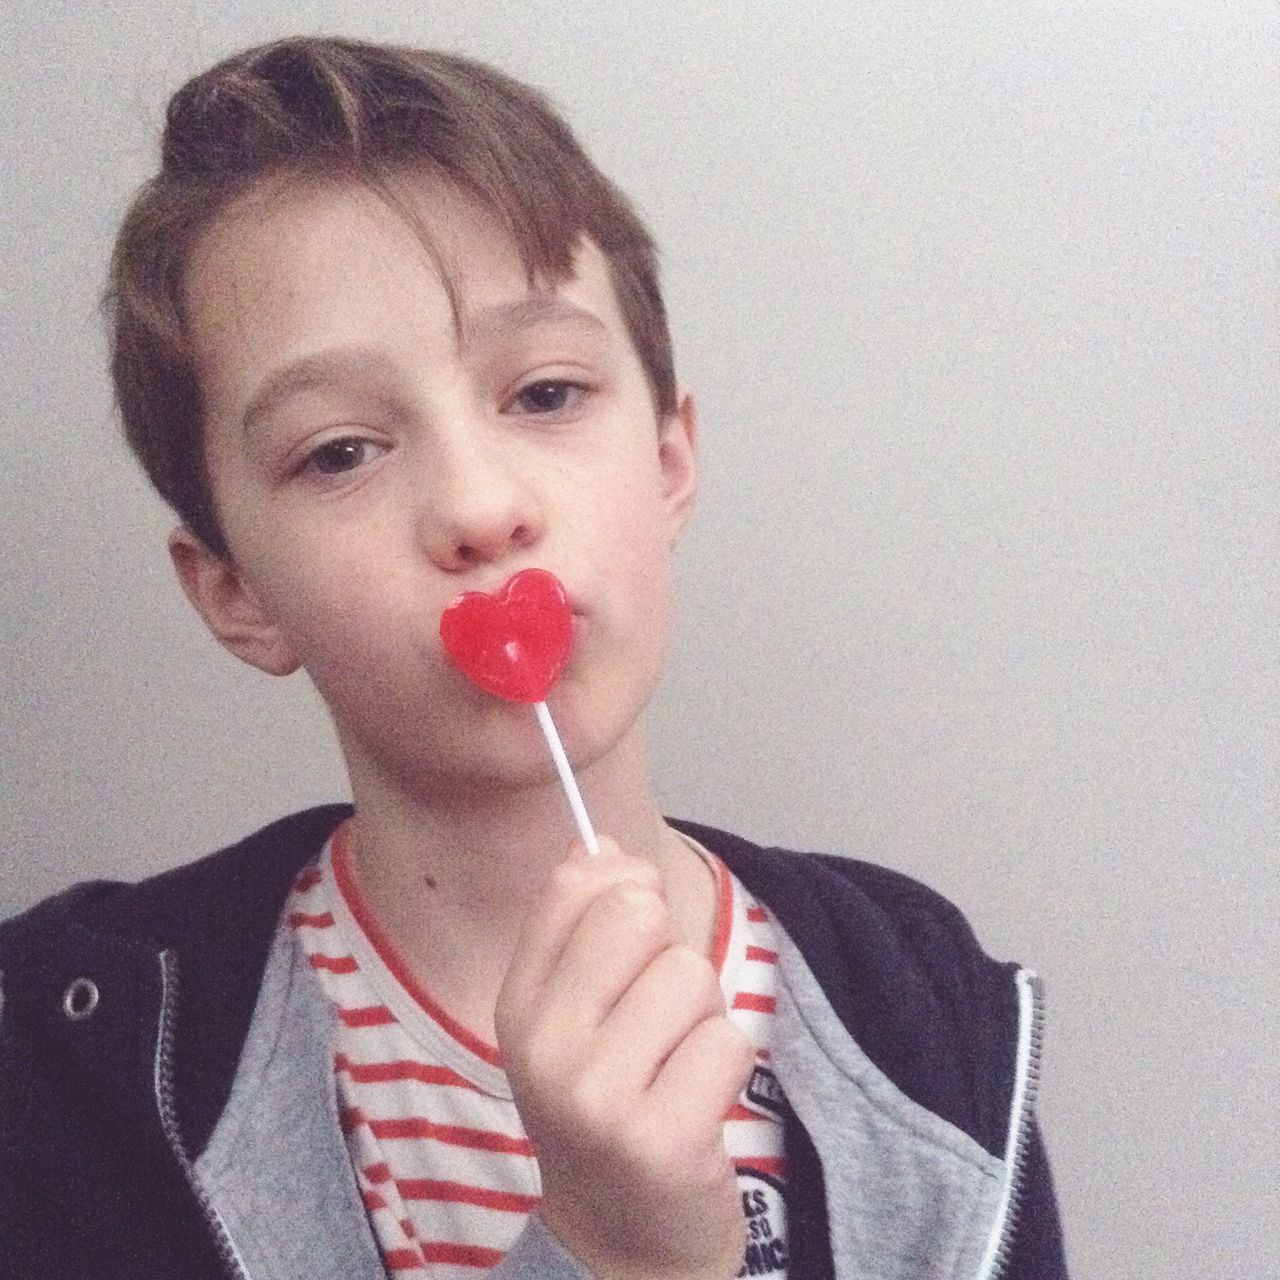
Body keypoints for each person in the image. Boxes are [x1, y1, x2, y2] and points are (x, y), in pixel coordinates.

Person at [0, 35, 1068, 1280]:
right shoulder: (74, 1059)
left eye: (546, 393)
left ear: (669, 462)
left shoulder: (922, 1012)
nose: (477, 504)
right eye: (339, 450)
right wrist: (607, 1254)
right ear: (237, 593)